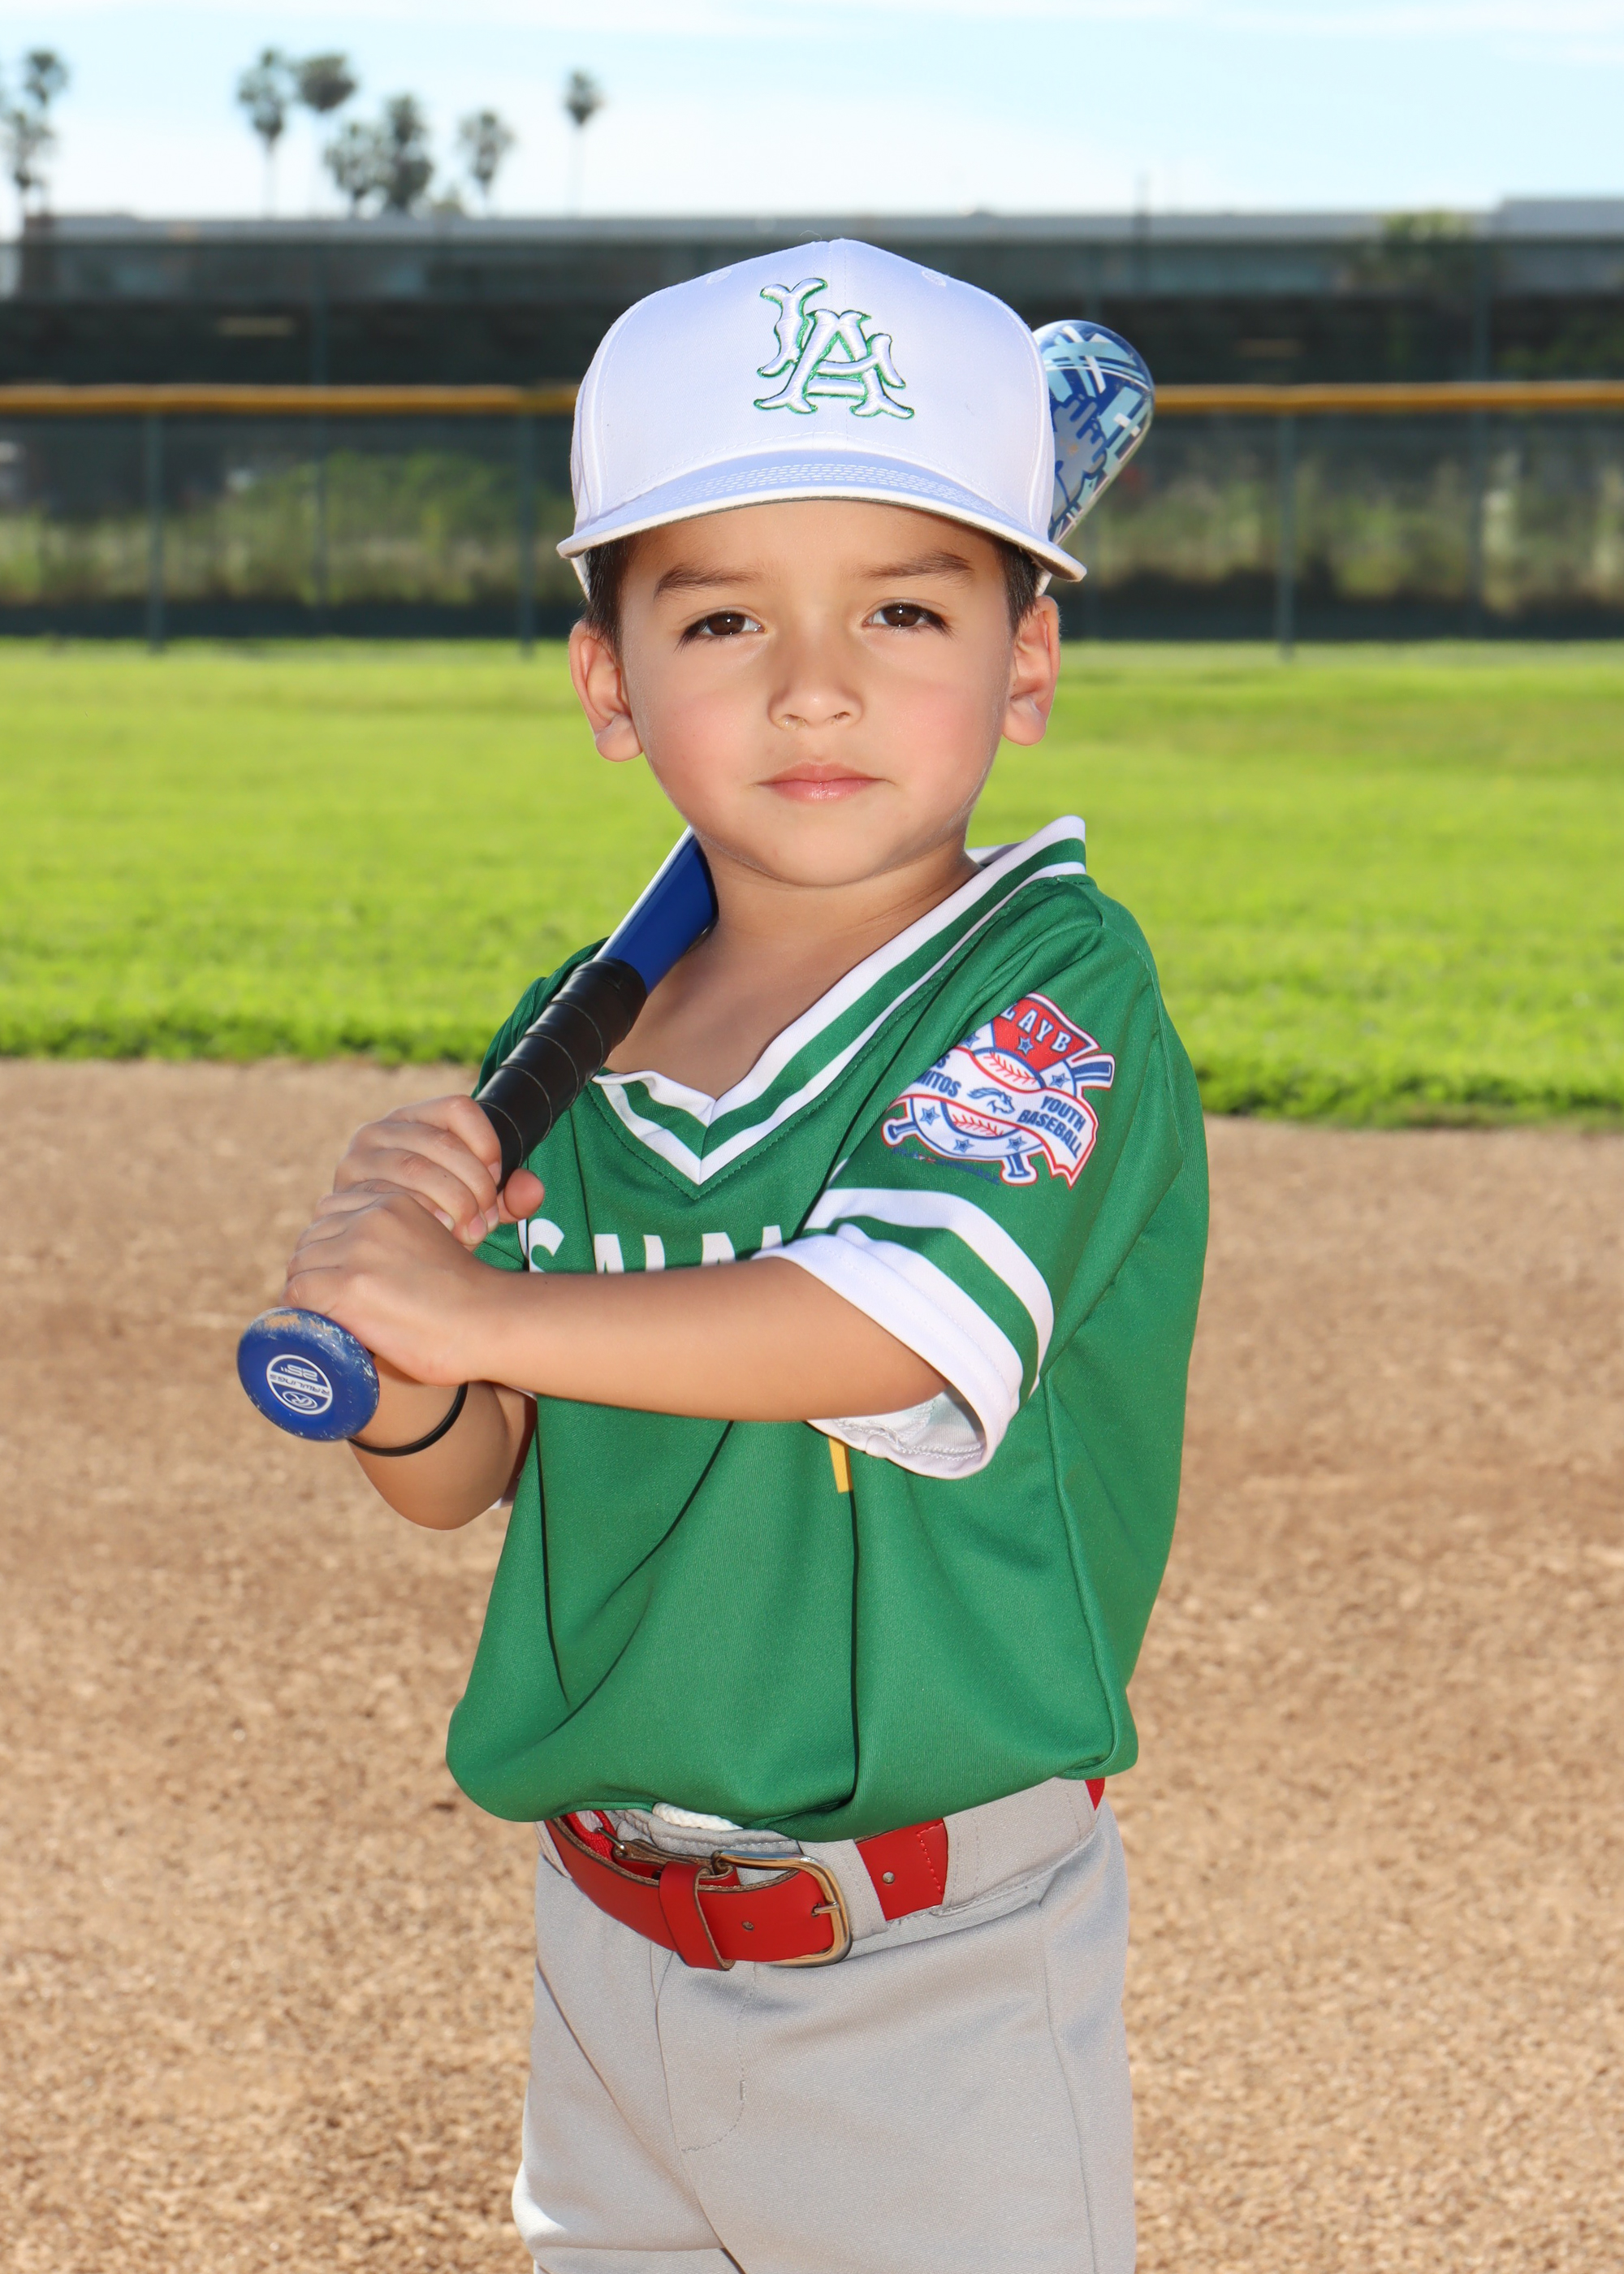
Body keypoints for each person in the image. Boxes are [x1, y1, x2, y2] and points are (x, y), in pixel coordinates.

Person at [283, 240, 1207, 2274]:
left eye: (904, 607)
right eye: (722, 616)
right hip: (605, 1946)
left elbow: (886, 1319)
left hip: (931, 1972)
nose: (815, 683)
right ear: (609, 684)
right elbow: (468, 1473)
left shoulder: (1051, 988)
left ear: (1026, 662)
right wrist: (411, 1357)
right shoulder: (578, 1038)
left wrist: (482, 1303)